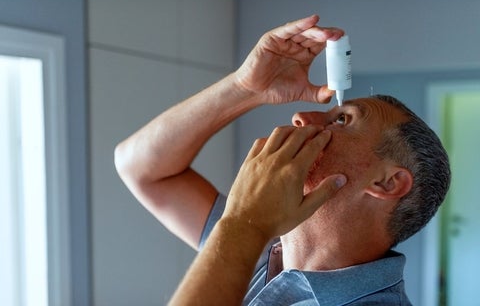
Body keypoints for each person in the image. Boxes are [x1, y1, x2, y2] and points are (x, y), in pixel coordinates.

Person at [114, 15, 451, 305]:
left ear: (387, 182)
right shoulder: (262, 246)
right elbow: (143, 169)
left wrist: (245, 222)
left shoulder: (249, 235)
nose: (301, 118)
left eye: (342, 120)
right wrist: (245, 89)